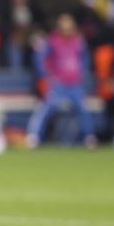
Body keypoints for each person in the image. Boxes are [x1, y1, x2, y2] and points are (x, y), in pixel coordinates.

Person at [25, 13, 97, 148]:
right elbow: (40, 57)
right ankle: (33, 136)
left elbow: (85, 59)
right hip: (58, 84)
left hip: (75, 84)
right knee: (44, 109)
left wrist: (82, 74)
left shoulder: (78, 40)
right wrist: (45, 74)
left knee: (83, 110)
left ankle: (90, 137)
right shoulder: (53, 40)